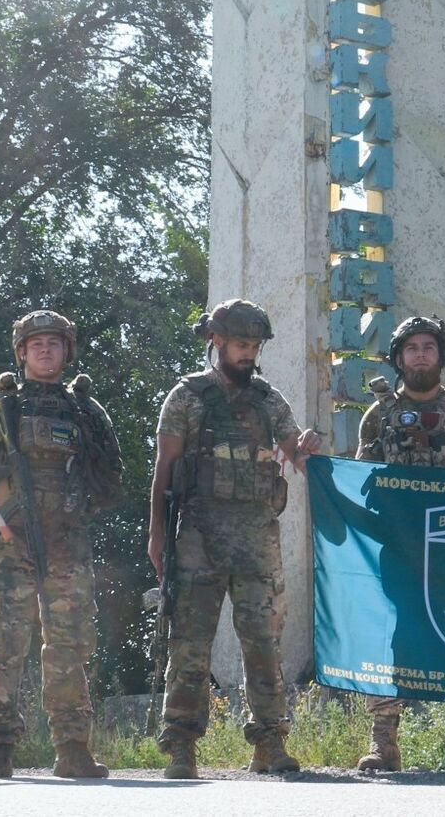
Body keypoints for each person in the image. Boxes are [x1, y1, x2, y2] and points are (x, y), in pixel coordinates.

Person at [0, 309, 122, 779]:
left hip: (67, 544)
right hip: (10, 540)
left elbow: (112, 476)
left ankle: (73, 748)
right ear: (21, 352)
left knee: (69, 645)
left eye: (54, 343)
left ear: (66, 351)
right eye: (35, 344)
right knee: (2, 640)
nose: (45, 350)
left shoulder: (86, 410)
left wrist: (79, 508)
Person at [148, 299, 320, 779]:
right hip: (198, 538)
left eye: (254, 346)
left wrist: (308, 450)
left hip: (258, 541)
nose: (249, 354)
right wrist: (157, 536)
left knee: (264, 643)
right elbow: (164, 471)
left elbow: (297, 456)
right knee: (190, 645)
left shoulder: (269, 401)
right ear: (216, 342)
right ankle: (181, 745)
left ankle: (270, 741)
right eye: (241, 344)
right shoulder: (187, 397)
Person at [352, 316, 445, 774]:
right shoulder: (378, 414)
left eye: (429, 347)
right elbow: (363, 478)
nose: (421, 354)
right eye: (412, 348)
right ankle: (385, 743)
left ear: (440, 355)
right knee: (395, 636)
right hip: (400, 545)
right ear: (398, 358)